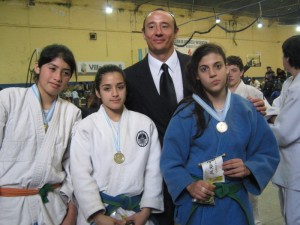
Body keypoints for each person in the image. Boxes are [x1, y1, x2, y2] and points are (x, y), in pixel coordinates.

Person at [160, 43, 280, 225]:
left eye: (217, 66)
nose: (212, 73)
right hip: (197, 205)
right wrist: (189, 185)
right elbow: (170, 161)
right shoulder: (185, 113)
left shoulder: (247, 109)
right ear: (197, 76)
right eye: (204, 69)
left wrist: (249, 168)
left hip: (236, 205)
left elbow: (267, 152)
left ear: (226, 69)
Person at [70, 65, 164, 225]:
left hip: (137, 212)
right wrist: (98, 216)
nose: (115, 94)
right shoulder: (85, 127)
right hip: (100, 213)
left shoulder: (144, 124)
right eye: (107, 88)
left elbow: (154, 171)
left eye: (120, 87)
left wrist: (146, 211)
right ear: (98, 92)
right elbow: (80, 175)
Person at [0, 44, 81, 225]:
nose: (57, 77)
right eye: (52, 68)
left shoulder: (72, 113)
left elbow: (74, 167)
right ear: (38, 67)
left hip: (53, 209)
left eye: (66, 73)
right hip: (8, 209)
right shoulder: (8, 99)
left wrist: (72, 212)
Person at [124, 8, 191, 225]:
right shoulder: (129, 77)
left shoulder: (196, 68)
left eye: (164, 26)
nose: (158, 32)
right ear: (144, 33)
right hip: (152, 177)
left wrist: (246, 105)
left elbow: (217, 103)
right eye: (151, 27)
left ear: (176, 32)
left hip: (195, 172)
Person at [227, 55, 270, 225]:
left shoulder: (253, 93)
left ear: (242, 72)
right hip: (224, 148)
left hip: (248, 150)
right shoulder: (217, 92)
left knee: (250, 194)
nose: (230, 74)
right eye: (227, 70)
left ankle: (254, 221)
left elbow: (267, 117)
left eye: (234, 70)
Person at [266, 35, 300, 225]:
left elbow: (284, 133)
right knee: (288, 213)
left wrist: (264, 125)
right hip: (288, 164)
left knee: (295, 217)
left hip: (296, 164)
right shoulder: (289, 83)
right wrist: (271, 115)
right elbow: (276, 108)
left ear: (289, 57)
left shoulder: (298, 88)